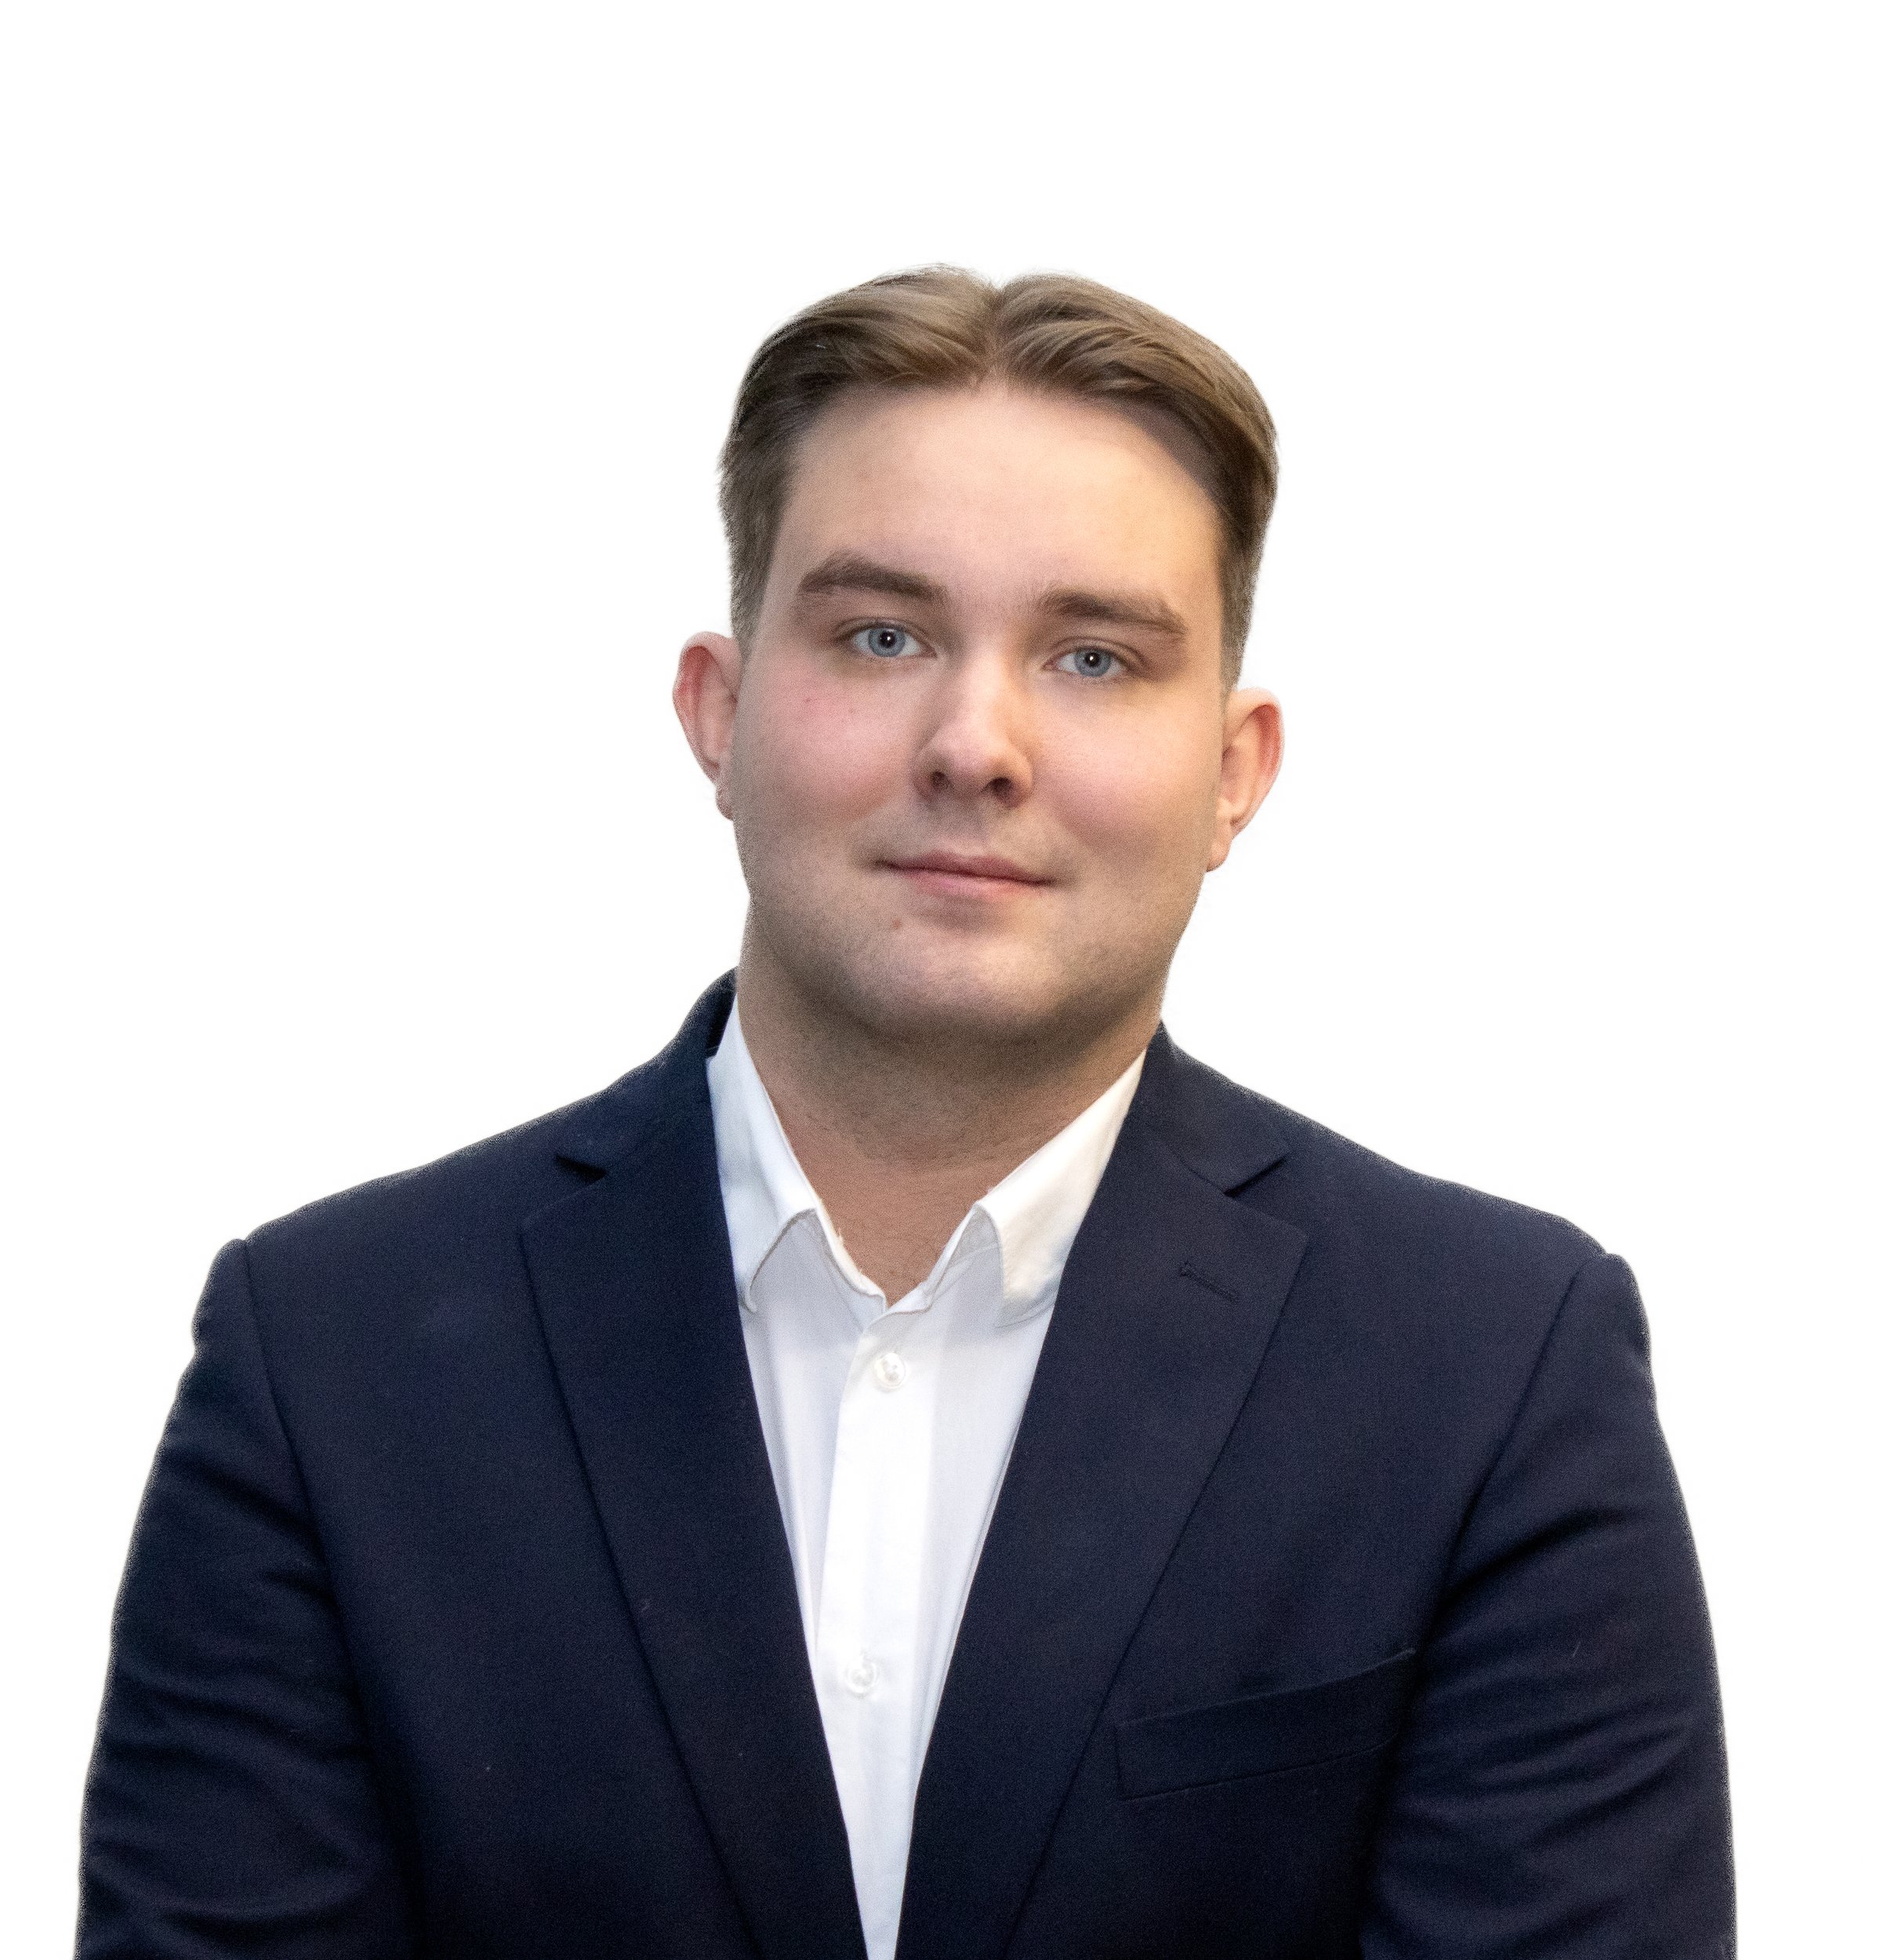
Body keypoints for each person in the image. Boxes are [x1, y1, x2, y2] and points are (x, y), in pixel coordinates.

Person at [78, 268, 1734, 1959]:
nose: (975, 742)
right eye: (881, 634)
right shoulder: (330, 1357)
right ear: (715, 711)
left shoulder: (1485, 1368)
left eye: (1093, 656)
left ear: (1233, 769)